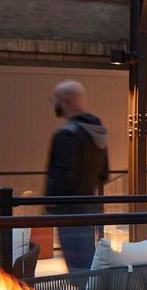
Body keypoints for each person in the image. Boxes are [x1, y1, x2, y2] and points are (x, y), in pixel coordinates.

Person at [44, 81, 110, 272]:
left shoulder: (66, 135)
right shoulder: (97, 132)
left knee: (78, 268)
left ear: (66, 101)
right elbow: (104, 174)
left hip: (69, 211)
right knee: (87, 264)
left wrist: (50, 207)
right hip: (91, 207)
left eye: (55, 100)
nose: (54, 104)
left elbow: (61, 177)